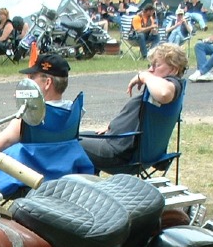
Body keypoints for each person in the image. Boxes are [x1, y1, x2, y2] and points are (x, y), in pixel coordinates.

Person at [80, 43, 187, 172]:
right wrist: (113, 127)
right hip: (120, 143)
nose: (151, 70)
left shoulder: (173, 84)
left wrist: (144, 76)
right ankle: (90, 185)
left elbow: (164, 94)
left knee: (68, 141)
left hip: (121, 154)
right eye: (150, 66)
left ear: (174, 69)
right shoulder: (161, 86)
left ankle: (75, 188)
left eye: (157, 65)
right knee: (78, 135)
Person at [0, 53, 75, 152]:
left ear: (47, 83)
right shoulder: (71, 111)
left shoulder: (29, 120)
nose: (27, 81)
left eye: (32, 77)